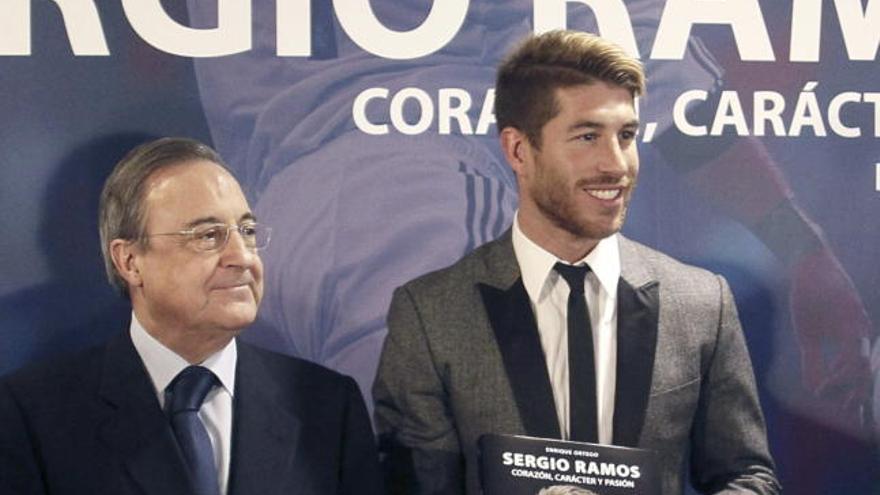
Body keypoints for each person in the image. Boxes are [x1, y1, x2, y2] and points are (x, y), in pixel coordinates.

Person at [373, 31, 780, 495]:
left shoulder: (703, 302)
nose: (616, 164)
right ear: (519, 150)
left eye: (626, 135)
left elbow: (747, 476)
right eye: (587, 136)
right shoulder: (430, 313)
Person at [0, 138, 382, 495]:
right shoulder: (35, 414)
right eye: (208, 236)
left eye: (247, 231)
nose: (243, 257)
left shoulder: (328, 405)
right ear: (130, 262)